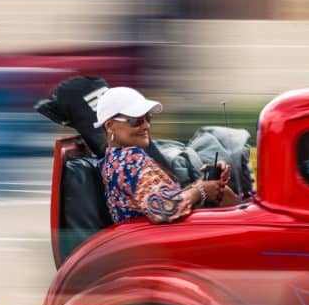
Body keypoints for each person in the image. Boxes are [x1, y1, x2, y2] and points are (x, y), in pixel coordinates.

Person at [95, 87, 237, 224]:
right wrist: (201, 191)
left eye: (147, 118)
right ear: (109, 126)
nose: (146, 126)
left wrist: (205, 182)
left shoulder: (112, 161)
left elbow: (161, 198)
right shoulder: (128, 159)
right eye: (135, 121)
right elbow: (164, 208)